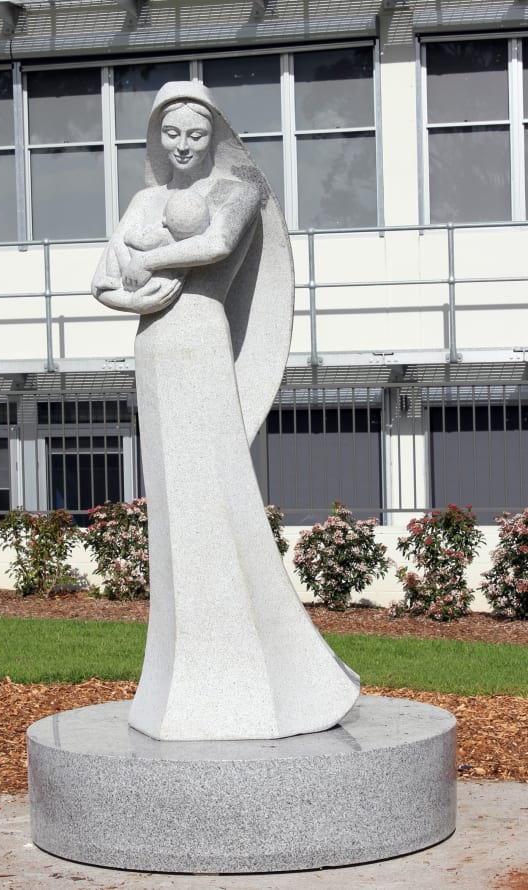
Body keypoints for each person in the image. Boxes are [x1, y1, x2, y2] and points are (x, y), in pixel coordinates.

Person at [92, 81, 359, 741]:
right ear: (157, 139)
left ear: (215, 135)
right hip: (154, 347)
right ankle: (182, 678)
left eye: (195, 134)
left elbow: (214, 245)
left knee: (215, 495)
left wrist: (148, 263)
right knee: (174, 509)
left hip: (200, 341)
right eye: (171, 134)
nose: (182, 146)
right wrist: (138, 296)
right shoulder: (144, 200)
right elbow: (103, 278)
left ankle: (268, 681)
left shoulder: (238, 190)